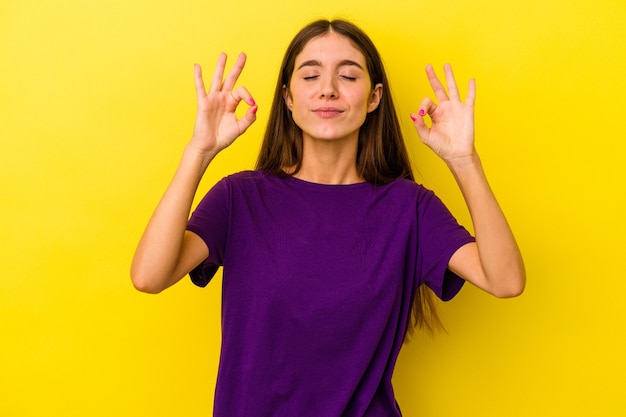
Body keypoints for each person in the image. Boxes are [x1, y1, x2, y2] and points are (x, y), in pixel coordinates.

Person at [131, 19, 525, 417]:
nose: (328, 89)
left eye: (348, 75)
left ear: (374, 98)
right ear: (287, 96)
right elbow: (149, 276)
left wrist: (464, 161)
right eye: (311, 74)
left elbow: (505, 280)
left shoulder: (409, 208)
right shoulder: (240, 198)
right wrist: (198, 152)